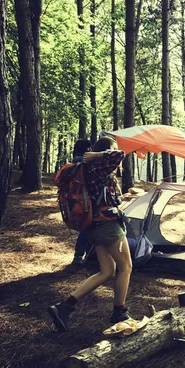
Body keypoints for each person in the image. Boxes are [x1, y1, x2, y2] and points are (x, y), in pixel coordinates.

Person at [48, 136, 133, 331]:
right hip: (107, 226)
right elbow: (120, 154)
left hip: (95, 226)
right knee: (126, 267)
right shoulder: (96, 167)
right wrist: (97, 154)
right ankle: (119, 312)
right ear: (104, 150)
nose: (114, 151)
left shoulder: (93, 171)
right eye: (111, 148)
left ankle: (65, 306)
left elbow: (103, 197)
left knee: (107, 271)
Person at [71, 139, 92, 265]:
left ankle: (82, 255)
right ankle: (79, 256)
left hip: (79, 198)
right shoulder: (82, 161)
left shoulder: (76, 160)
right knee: (87, 226)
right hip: (84, 199)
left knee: (87, 226)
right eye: (89, 148)